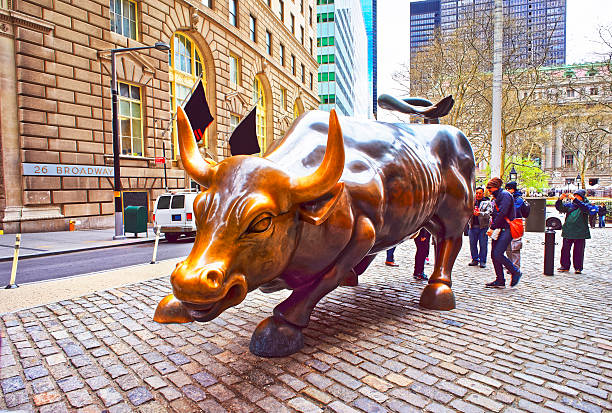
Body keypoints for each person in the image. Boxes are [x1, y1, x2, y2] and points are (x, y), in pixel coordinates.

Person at [485, 177, 522, 288]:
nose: (488, 190)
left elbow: (502, 213)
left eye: (489, 188)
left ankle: (515, 271)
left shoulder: (505, 195)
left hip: (506, 228)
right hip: (500, 228)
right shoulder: (499, 196)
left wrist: (492, 227)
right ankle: (500, 279)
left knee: (497, 253)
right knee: (494, 254)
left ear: (495, 187)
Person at [555, 189, 597, 274]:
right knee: (565, 250)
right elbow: (560, 208)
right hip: (568, 231)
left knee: (578, 251)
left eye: (577, 196)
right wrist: (559, 200)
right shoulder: (571, 205)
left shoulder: (586, 205)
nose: (575, 197)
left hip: (580, 232)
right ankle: (565, 266)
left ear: (582, 197)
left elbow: (586, 208)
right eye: (575, 196)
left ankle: (578, 267)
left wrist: (575, 200)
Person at [504, 181, 530, 270]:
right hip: (508, 223)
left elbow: (514, 209)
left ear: (513, 189)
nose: (507, 190)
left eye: (508, 189)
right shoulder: (508, 198)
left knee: (515, 246)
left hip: (516, 223)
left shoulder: (518, 199)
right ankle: (510, 264)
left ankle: (515, 266)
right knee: (507, 246)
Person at [468, 187, 492, 268]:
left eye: (480, 193)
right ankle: (475, 259)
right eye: (477, 193)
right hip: (472, 226)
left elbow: (489, 213)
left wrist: (480, 213)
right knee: (472, 244)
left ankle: (483, 261)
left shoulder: (487, 202)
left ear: (483, 193)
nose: (478, 195)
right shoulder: (471, 202)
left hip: (483, 227)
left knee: (483, 244)